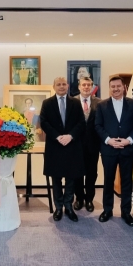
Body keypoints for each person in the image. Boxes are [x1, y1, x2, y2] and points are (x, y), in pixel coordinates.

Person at [94, 76, 133, 226]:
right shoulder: (101, 105)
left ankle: (126, 212)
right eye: (112, 86)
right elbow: (98, 126)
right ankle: (107, 210)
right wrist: (109, 140)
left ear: (124, 87)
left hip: (127, 149)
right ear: (109, 88)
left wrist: (129, 140)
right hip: (109, 149)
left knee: (127, 181)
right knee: (108, 180)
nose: (115, 89)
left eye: (118, 86)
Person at [39, 77, 86, 222]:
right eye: (58, 84)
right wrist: (58, 137)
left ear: (67, 86)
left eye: (64, 84)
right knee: (56, 179)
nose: (61, 86)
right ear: (54, 86)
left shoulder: (76, 102)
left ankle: (69, 206)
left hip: (72, 145)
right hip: (55, 146)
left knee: (71, 179)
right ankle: (58, 208)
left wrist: (70, 136)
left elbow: (81, 123)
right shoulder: (47, 103)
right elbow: (44, 122)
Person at [72, 77, 101, 213]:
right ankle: (79, 198)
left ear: (92, 87)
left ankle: (89, 199)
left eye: (89, 85)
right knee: (77, 172)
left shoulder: (99, 103)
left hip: (93, 145)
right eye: (83, 85)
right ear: (79, 87)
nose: (86, 87)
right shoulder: (72, 102)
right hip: (75, 145)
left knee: (91, 174)